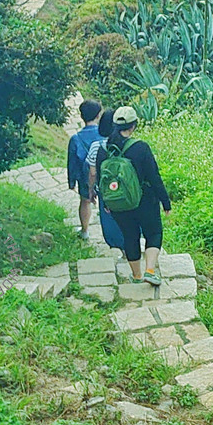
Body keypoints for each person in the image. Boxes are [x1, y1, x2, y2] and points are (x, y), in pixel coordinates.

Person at [96, 105, 171, 285]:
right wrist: (165, 202)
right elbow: (154, 177)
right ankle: (150, 271)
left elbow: (101, 180)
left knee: (130, 236)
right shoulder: (140, 148)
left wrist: (106, 202)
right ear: (134, 125)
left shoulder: (103, 149)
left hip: (118, 203)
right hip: (145, 201)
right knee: (153, 233)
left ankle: (136, 276)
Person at [86, 108, 125, 252]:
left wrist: (91, 190)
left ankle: (118, 247)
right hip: (126, 188)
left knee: (110, 220)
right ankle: (130, 248)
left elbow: (92, 173)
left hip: (106, 190)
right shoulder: (129, 144)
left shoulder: (96, 146)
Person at [65, 98, 103, 239]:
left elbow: (72, 162)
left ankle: (85, 231)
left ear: (81, 116)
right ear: (98, 115)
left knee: (85, 201)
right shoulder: (104, 134)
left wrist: (71, 182)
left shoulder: (76, 138)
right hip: (104, 173)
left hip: (84, 175)